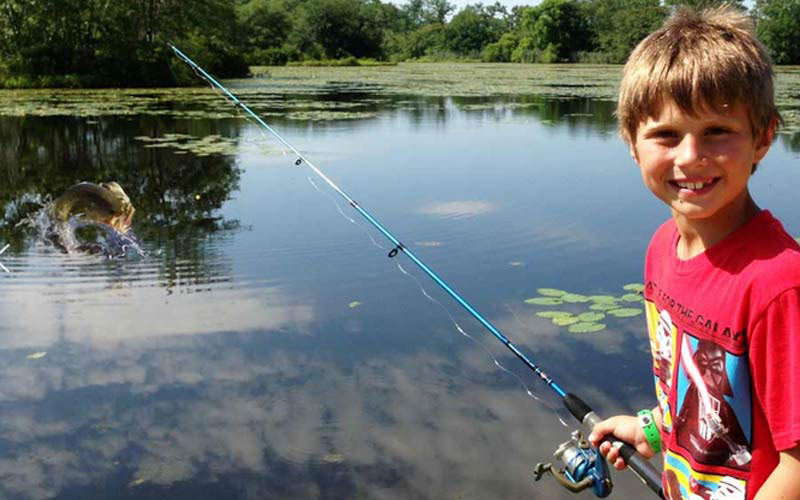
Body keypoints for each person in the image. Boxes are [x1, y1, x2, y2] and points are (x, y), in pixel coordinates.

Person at [586, 5, 800, 500]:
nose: (690, 157)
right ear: (632, 142)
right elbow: (696, 390)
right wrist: (653, 430)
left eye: (717, 132)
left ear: (764, 137)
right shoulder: (662, 248)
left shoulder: (779, 286)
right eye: (665, 134)